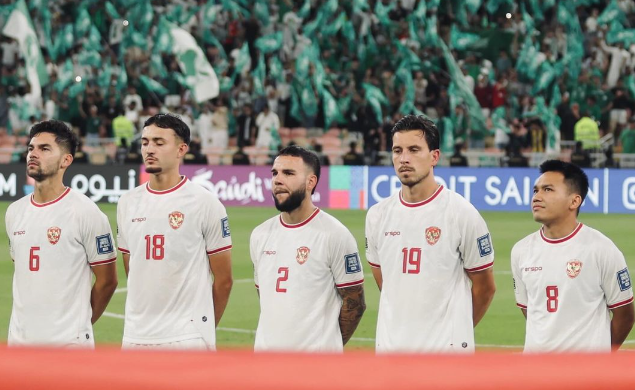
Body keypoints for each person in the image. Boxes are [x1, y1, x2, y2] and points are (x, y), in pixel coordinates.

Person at [365, 115, 496, 353]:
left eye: (414, 149)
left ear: (434, 156)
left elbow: (485, 288)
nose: (404, 158)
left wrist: (457, 330)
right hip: (391, 352)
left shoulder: (461, 213)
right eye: (397, 150)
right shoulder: (377, 215)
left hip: (445, 356)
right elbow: (386, 283)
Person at [117, 113, 233, 350]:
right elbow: (133, 269)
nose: (149, 149)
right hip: (135, 336)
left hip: (186, 338)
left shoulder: (205, 203)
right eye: (145, 142)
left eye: (159, 143)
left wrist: (202, 329)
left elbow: (224, 280)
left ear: (181, 150)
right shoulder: (127, 202)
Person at [5, 120, 118, 347]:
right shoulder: (14, 212)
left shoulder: (86, 213)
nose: (33, 154)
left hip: (69, 346)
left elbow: (107, 281)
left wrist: (79, 326)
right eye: (31, 148)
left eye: (44, 149)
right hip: (19, 345)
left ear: (66, 160)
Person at [250, 145, 366, 352]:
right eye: (275, 173)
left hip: (315, 369)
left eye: (288, 173)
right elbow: (266, 300)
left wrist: (328, 347)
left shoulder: (335, 235)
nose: (277, 179)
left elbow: (355, 304)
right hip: (265, 365)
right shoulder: (259, 235)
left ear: (311, 182)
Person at [511, 160, 634, 353]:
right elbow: (531, 311)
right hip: (536, 373)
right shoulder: (520, 251)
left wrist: (601, 357)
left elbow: (625, 314)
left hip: (585, 376)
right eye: (536, 190)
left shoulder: (601, 249)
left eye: (548, 190)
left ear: (574, 201)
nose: (537, 196)